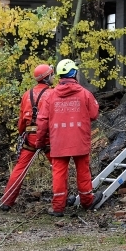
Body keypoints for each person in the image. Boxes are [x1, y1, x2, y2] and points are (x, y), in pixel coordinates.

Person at [35, 59, 101, 216]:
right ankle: (87, 202)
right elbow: (94, 114)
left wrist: (39, 142)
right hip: (79, 140)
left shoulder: (50, 96)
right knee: (83, 171)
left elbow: (42, 121)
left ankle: (58, 207)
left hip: (58, 142)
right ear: (74, 74)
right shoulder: (85, 94)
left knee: (58, 173)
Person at [0, 64, 54, 211]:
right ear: (47, 77)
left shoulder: (27, 94)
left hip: (30, 136)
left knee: (20, 168)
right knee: (58, 168)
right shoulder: (52, 94)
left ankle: (7, 201)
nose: (54, 77)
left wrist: (22, 134)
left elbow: (22, 121)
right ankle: (61, 199)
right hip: (48, 137)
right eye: (52, 75)